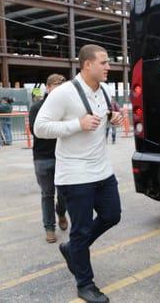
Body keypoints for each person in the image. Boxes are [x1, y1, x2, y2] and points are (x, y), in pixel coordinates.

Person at [34, 44, 124, 303]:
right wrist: (77, 124)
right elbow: (40, 127)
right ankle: (85, 284)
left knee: (112, 215)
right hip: (75, 175)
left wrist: (113, 117)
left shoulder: (105, 89)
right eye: (104, 62)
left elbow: (104, 116)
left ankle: (73, 249)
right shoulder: (64, 93)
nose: (109, 67)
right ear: (87, 65)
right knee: (81, 230)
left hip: (102, 170)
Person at [29, 74, 69, 243]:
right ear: (48, 87)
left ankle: (60, 212)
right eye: (55, 86)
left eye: (62, 86)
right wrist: (60, 128)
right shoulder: (37, 107)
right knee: (47, 194)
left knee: (64, 194)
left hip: (64, 156)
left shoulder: (66, 107)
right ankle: (49, 227)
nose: (58, 90)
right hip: (42, 157)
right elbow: (36, 130)